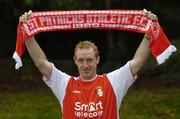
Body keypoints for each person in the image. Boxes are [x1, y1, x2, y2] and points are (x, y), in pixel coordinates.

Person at [20, 10, 157, 119]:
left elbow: (138, 62)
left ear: (97, 59)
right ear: (75, 60)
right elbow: (40, 62)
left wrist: (148, 34)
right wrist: (28, 33)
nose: (85, 65)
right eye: (81, 60)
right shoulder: (64, 83)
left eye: (90, 60)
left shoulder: (113, 81)